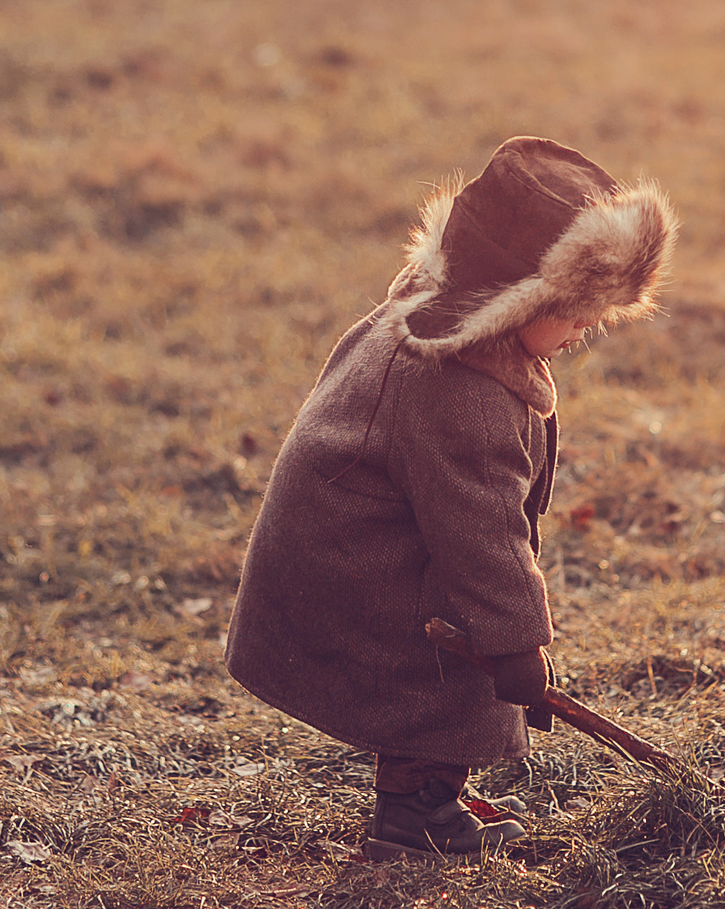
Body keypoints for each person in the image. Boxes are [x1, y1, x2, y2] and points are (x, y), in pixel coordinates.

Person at [225, 136, 677, 858]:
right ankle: (418, 815)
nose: (585, 328)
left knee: (454, 643)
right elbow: (482, 535)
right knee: (450, 665)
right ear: (515, 299)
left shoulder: (433, 313)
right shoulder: (463, 393)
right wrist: (517, 641)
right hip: (356, 566)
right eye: (573, 311)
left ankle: (428, 793)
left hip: (345, 539)